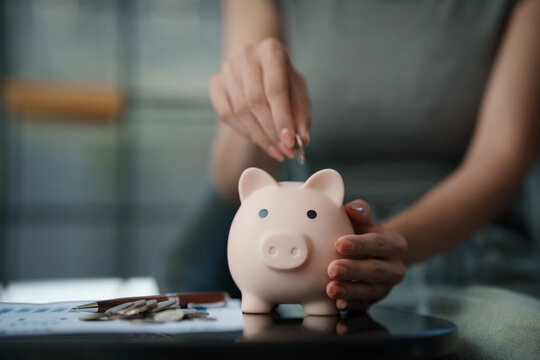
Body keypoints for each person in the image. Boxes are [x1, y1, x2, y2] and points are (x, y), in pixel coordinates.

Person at [206, 0, 540, 311]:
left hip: (467, 248)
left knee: (518, 339)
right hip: (312, 273)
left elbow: (501, 159)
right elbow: (230, 180)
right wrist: (248, 107)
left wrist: (382, 247)